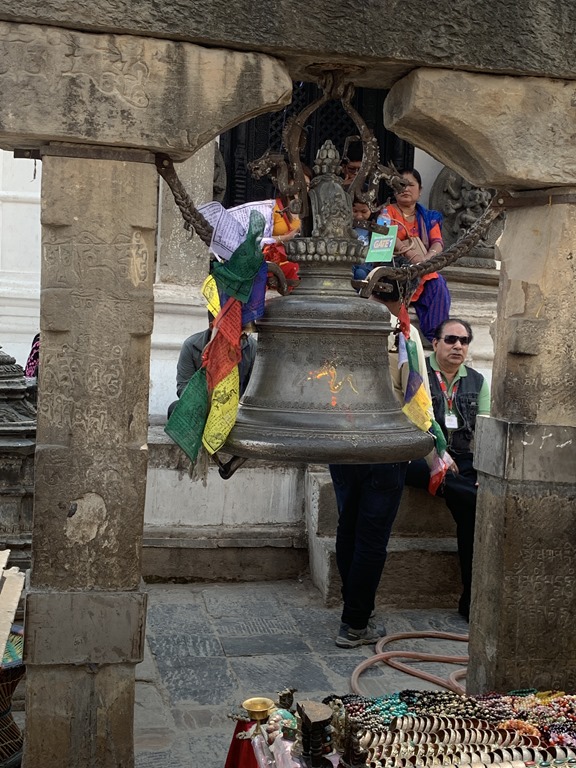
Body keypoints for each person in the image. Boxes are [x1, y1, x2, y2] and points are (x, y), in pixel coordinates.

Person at [329, 266, 430, 648]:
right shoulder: (404, 333)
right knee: (370, 537)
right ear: (403, 297)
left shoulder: (342, 327)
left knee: (348, 528)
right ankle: (355, 621)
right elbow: (416, 394)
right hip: (386, 448)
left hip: (342, 443)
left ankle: (356, 609)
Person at [405, 318, 490, 621]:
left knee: (472, 507)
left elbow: (485, 430)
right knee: (473, 500)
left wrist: (484, 473)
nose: (458, 346)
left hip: (462, 460)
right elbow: (412, 422)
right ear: (435, 342)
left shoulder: (477, 381)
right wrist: (438, 454)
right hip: (421, 457)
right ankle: (472, 599)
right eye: (451, 339)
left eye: (464, 341)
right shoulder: (417, 372)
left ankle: (471, 598)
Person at [382, 169, 451, 344]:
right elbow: (388, 235)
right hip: (395, 266)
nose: (405, 189)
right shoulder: (386, 212)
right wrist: (410, 254)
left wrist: (427, 259)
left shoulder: (428, 216)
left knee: (437, 283)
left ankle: (437, 337)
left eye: (411, 185)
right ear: (394, 190)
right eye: (401, 185)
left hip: (423, 268)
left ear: (420, 190)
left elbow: (437, 242)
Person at [167, 320, 257, 418]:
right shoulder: (192, 345)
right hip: (201, 407)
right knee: (175, 409)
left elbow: (253, 391)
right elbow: (183, 386)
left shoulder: (251, 347)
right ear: (212, 327)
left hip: (235, 408)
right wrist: (205, 406)